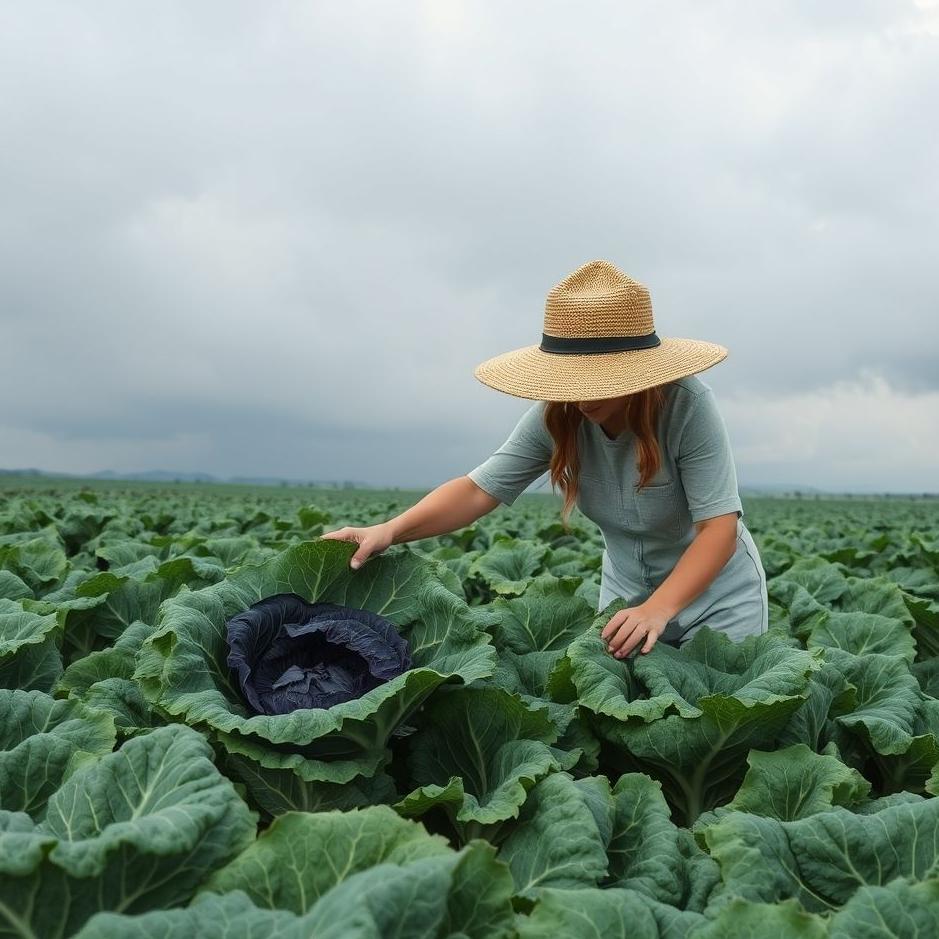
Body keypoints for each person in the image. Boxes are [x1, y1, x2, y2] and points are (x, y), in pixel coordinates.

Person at [322, 259, 769, 660]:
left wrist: (659, 608)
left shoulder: (688, 405)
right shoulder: (559, 415)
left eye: (595, 380)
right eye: (570, 380)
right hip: (627, 595)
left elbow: (719, 528)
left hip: (717, 597)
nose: (579, 395)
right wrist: (390, 530)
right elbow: (479, 491)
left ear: (635, 374)